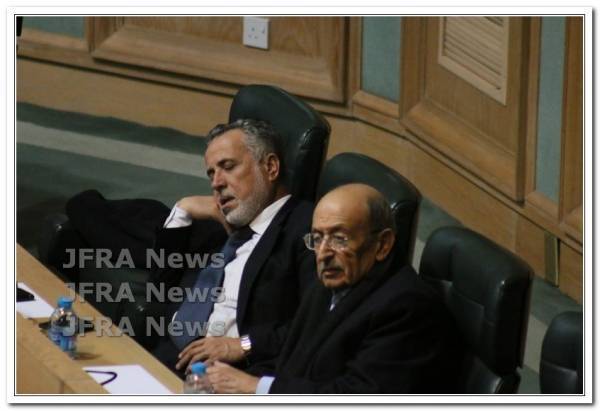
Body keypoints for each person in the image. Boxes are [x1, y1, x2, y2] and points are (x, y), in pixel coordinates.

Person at [203, 184, 462, 394]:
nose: (323, 253)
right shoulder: (331, 281)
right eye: (317, 238)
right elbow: (291, 350)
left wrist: (255, 387)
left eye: (339, 238)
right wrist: (233, 369)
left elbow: (358, 396)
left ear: (382, 244)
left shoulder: (407, 307)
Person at [150, 119, 316, 377]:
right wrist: (182, 210)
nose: (216, 183)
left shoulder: (307, 227)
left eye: (228, 167)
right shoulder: (226, 225)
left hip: (232, 373)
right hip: (171, 354)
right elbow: (159, 290)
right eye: (211, 173)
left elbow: (315, 324)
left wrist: (243, 345)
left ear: (270, 167)